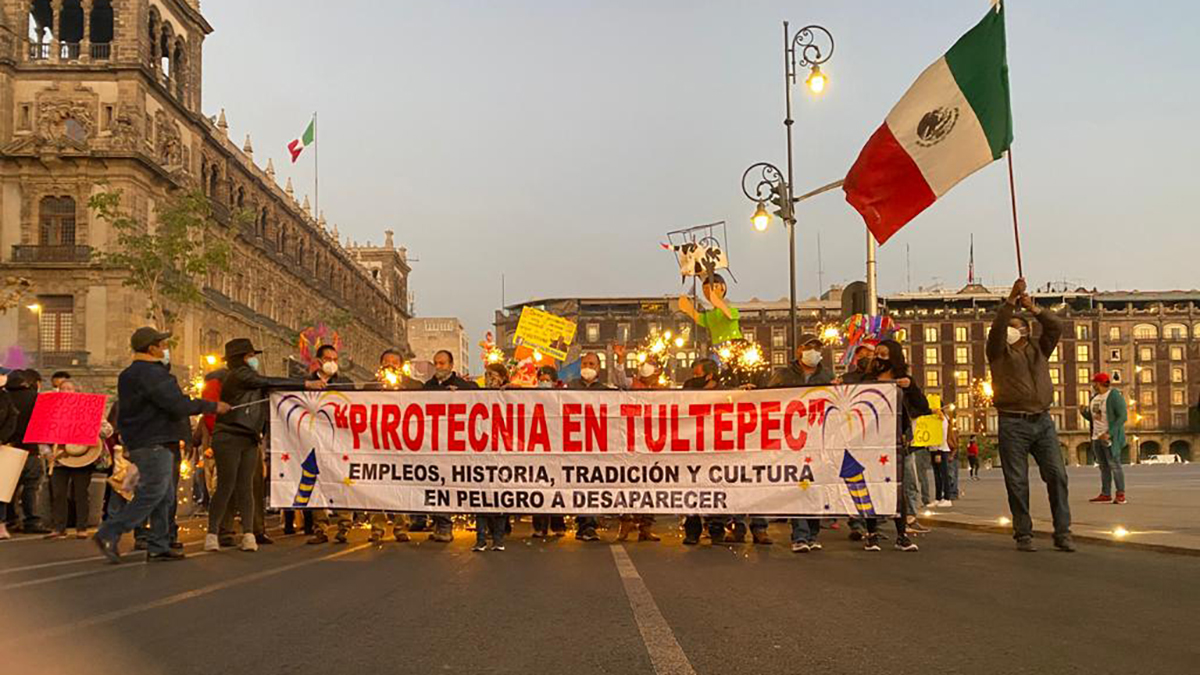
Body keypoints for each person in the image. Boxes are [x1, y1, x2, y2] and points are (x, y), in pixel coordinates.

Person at [93, 328, 228, 563]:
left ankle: (158, 543)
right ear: (151, 348)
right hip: (156, 440)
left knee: (164, 495)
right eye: (162, 344)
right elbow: (175, 404)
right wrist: (212, 406)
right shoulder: (152, 374)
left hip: (143, 439)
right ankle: (110, 531)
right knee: (153, 492)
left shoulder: (128, 374)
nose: (166, 348)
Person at [207, 338, 323, 552]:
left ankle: (249, 533)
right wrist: (306, 384)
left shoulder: (249, 378)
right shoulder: (240, 375)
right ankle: (213, 532)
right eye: (251, 356)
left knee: (246, 487)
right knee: (226, 484)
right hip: (230, 435)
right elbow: (269, 382)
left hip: (249, 437)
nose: (254, 360)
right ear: (242, 358)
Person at [986, 278, 1074, 553]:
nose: (1009, 331)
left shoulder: (1039, 349)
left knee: (1057, 476)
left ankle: (1063, 532)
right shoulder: (998, 353)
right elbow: (997, 330)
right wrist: (1010, 301)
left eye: (1015, 327)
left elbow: (1056, 325)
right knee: (1017, 480)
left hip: (1043, 420)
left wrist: (1034, 309)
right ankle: (1023, 533)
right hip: (1012, 421)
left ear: (1025, 330)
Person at [859, 339, 928, 552]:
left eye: (884, 354)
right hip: (869, 441)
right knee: (870, 487)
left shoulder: (905, 381)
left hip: (896, 442)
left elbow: (922, 406)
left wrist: (911, 387)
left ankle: (902, 534)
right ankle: (871, 534)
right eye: (877, 353)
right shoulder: (866, 379)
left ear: (894, 358)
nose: (878, 358)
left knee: (899, 489)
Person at [767, 333, 830, 552]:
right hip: (790, 439)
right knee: (798, 486)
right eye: (809, 347)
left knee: (814, 487)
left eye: (817, 347)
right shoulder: (782, 375)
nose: (814, 351)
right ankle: (800, 535)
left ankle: (812, 533)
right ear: (799, 351)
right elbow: (766, 400)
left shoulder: (827, 376)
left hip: (817, 438)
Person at [419, 349, 478, 543]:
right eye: (436, 363)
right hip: (433, 444)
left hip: (457, 445)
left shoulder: (464, 386)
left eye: (442, 363)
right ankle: (441, 524)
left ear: (452, 366)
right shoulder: (427, 387)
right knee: (435, 485)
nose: (438, 367)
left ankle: (449, 524)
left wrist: (460, 395)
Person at [45, 378, 110, 540]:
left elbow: (107, 430)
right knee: (58, 493)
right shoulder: (51, 410)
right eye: (63, 388)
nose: (66, 391)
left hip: (83, 456)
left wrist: (93, 427)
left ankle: (82, 527)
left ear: (77, 392)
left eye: (70, 388)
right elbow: (43, 434)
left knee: (81, 493)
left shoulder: (89, 409)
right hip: (59, 457)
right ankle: (58, 527)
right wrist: (47, 453)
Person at [567, 352, 615, 542]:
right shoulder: (569, 388)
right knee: (580, 485)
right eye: (585, 363)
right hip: (576, 444)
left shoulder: (605, 390)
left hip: (597, 446)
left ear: (598, 367)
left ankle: (590, 524)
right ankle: (583, 524)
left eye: (592, 363)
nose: (588, 366)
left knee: (594, 486)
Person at [4, 369, 50, 534]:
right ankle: (32, 521)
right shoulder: (36, 398)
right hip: (30, 449)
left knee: (7, 487)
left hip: (7, 448)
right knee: (31, 486)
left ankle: (10, 519)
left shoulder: (3, 397)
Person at [472, 363, 510, 552]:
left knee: (500, 499)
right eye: (486, 375)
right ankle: (480, 539)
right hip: (482, 453)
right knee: (480, 498)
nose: (489, 378)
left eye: (493, 375)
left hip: (503, 454)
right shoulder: (477, 395)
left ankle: (498, 538)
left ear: (503, 377)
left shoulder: (512, 394)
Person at [1081, 372, 1127, 505]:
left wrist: (1109, 433)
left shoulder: (1114, 396)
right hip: (1096, 437)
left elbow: (1122, 416)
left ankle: (1120, 494)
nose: (1092, 385)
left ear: (1100, 383)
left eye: (1094, 383)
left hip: (1109, 437)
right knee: (1103, 467)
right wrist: (1084, 412)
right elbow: (1094, 418)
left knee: (1115, 465)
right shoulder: (1094, 398)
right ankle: (1105, 494)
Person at [679, 274, 742, 347]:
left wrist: (718, 302)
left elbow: (730, 315)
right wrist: (688, 308)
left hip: (735, 345)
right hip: (717, 347)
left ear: (723, 287)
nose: (708, 292)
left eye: (715, 287)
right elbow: (699, 318)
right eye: (705, 289)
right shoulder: (709, 315)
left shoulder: (732, 310)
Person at [0, 369, 20, 540]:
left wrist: (2, 439)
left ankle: (1, 525)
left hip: (1, 447)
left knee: (0, 489)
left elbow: (12, 419)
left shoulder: (5, 398)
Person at [931, 409, 955, 508]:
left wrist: (938, 450)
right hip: (934, 448)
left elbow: (941, 435)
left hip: (940, 449)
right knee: (937, 474)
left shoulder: (942, 419)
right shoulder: (935, 418)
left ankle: (947, 498)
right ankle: (938, 498)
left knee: (943, 474)